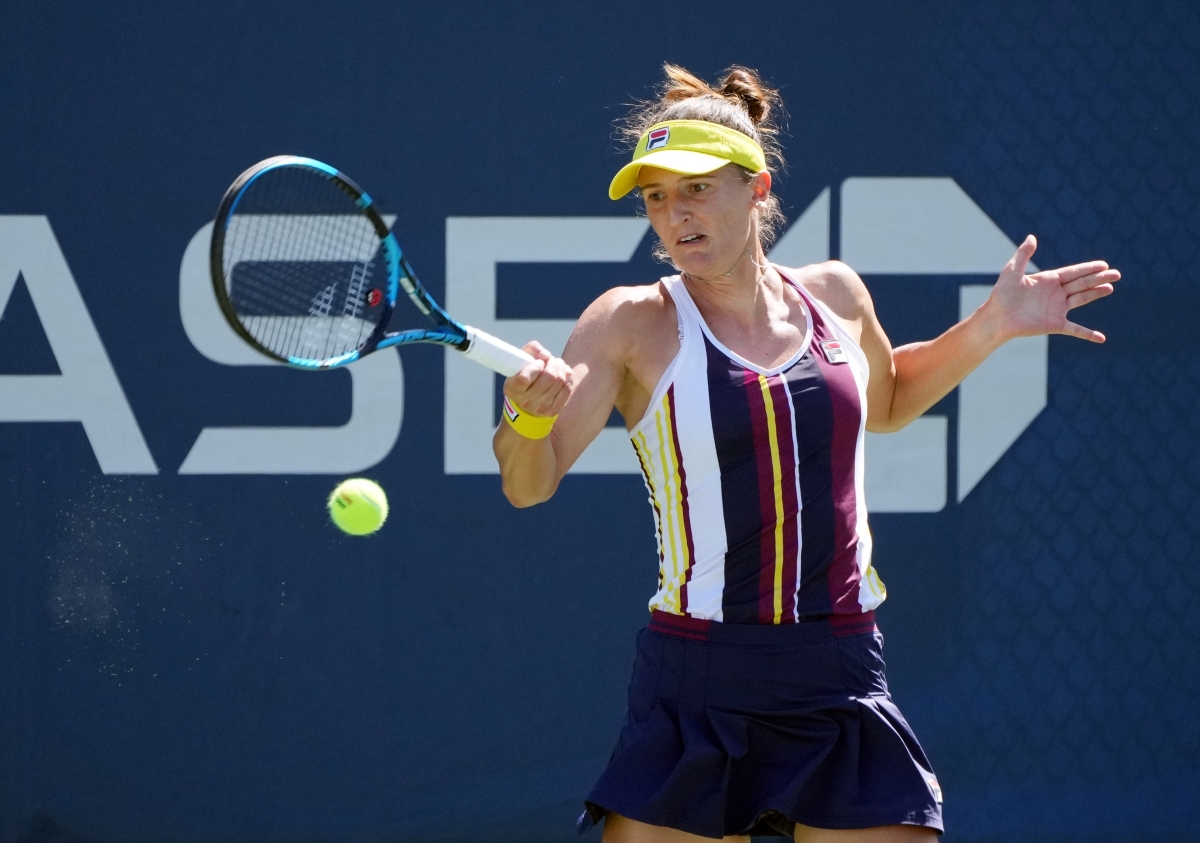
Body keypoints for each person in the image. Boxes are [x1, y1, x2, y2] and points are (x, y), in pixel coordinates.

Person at [492, 65, 1118, 843]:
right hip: (699, 679)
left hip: (840, 666)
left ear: (755, 187)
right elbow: (531, 481)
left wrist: (992, 324)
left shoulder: (837, 297)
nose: (673, 214)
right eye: (656, 197)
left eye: (694, 188)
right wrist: (523, 418)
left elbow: (888, 400)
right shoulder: (629, 323)